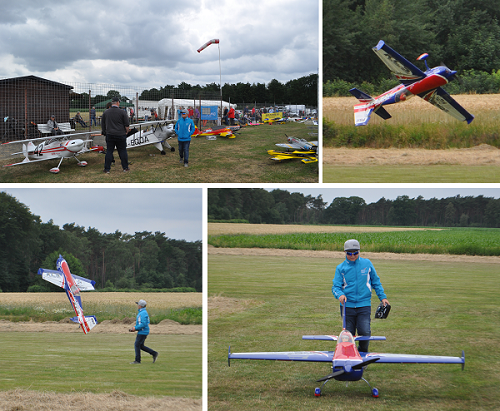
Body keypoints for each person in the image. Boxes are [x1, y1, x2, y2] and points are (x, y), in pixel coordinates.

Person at [332, 239, 389, 353]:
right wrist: (340, 295)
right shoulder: (341, 268)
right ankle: (348, 356)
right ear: (345, 252)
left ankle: (363, 354)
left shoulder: (367, 264)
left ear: (359, 251)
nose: (352, 256)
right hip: (347, 306)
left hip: (364, 305)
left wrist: (382, 297)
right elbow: (336, 287)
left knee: (365, 332)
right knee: (348, 334)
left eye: (355, 253)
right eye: (349, 253)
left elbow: (376, 281)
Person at [101, 96, 130, 173]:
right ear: (118, 103)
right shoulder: (122, 112)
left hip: (110, 134)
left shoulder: (106, 112)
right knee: (123, 151)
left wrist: (104, 132)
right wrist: (126, 132)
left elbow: (103, 124)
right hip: (120, 134)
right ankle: (125, 168)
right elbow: (127, 125)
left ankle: (107, 169)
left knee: (109, 151)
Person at [129, 299, 158, 364]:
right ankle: (154, 353)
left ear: (140, 306)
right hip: (143, 331)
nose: (137, 306)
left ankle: (137, 360)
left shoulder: (142, 313)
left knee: (137, 345)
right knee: (140, 345)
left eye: (138, 304)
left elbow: (143, 324)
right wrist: (135, 328)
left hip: (142, 332)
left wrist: (135, 328)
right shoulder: (143, 312)